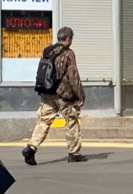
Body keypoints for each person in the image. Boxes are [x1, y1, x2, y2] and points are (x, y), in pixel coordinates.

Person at [21, 28, 86, 163]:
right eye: (71, 39)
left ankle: (31, 147)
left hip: (47, 93)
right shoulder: (68, 53)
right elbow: (73, 76)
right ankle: (74, 153)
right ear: (68, 39)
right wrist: (80, 96)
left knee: (44, 121)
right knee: (71, 121)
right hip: (64, 95)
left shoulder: (47, 51)